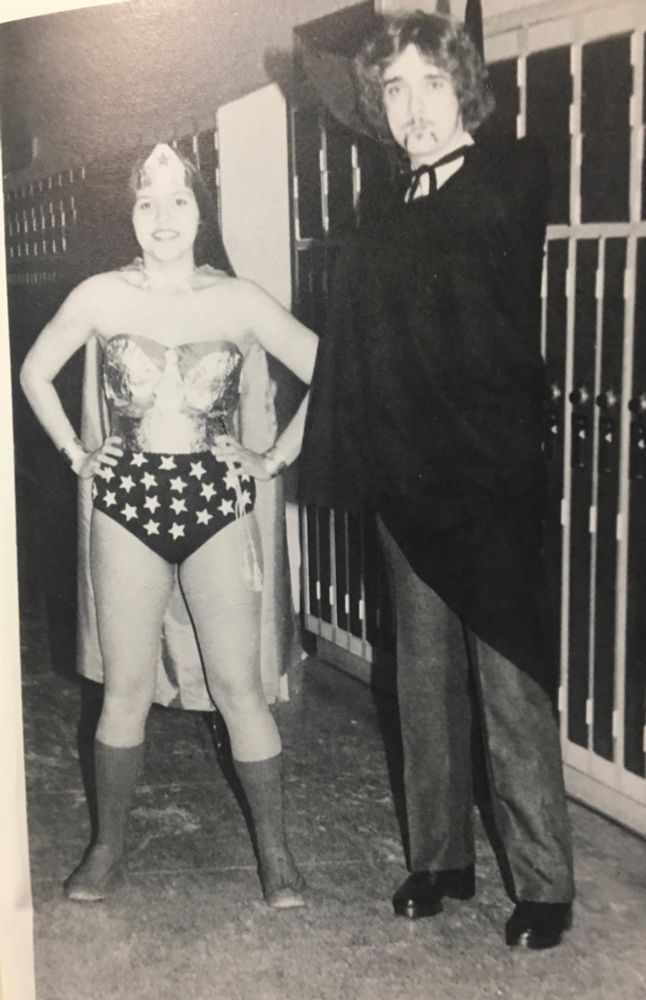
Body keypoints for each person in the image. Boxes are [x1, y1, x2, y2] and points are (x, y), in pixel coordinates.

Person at [299, 11, 575, 948]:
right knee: (421, 677)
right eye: (394, 90)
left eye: (431, 84)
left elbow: (462, 238)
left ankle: (545, 884)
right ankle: (439, 858)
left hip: (490, 475)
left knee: (508, 680)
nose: (413, 108)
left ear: (466, 90)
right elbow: (360, 339)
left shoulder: (510, 174)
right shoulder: (384, 204)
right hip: (409, 476)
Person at [20, 142, 318, 909]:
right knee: (124, 688)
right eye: (146, 201)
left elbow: (331, 369)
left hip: (218, 505)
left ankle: (277, 855)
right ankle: (106, 850)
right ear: (129, 214)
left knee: (238, 687)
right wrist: (76, 453)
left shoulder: (238, 298)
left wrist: (273, 457)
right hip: (127, 504)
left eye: (178, 198)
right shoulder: (100, 294)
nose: (162, 216)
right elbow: (32, 371)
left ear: (200, 209)